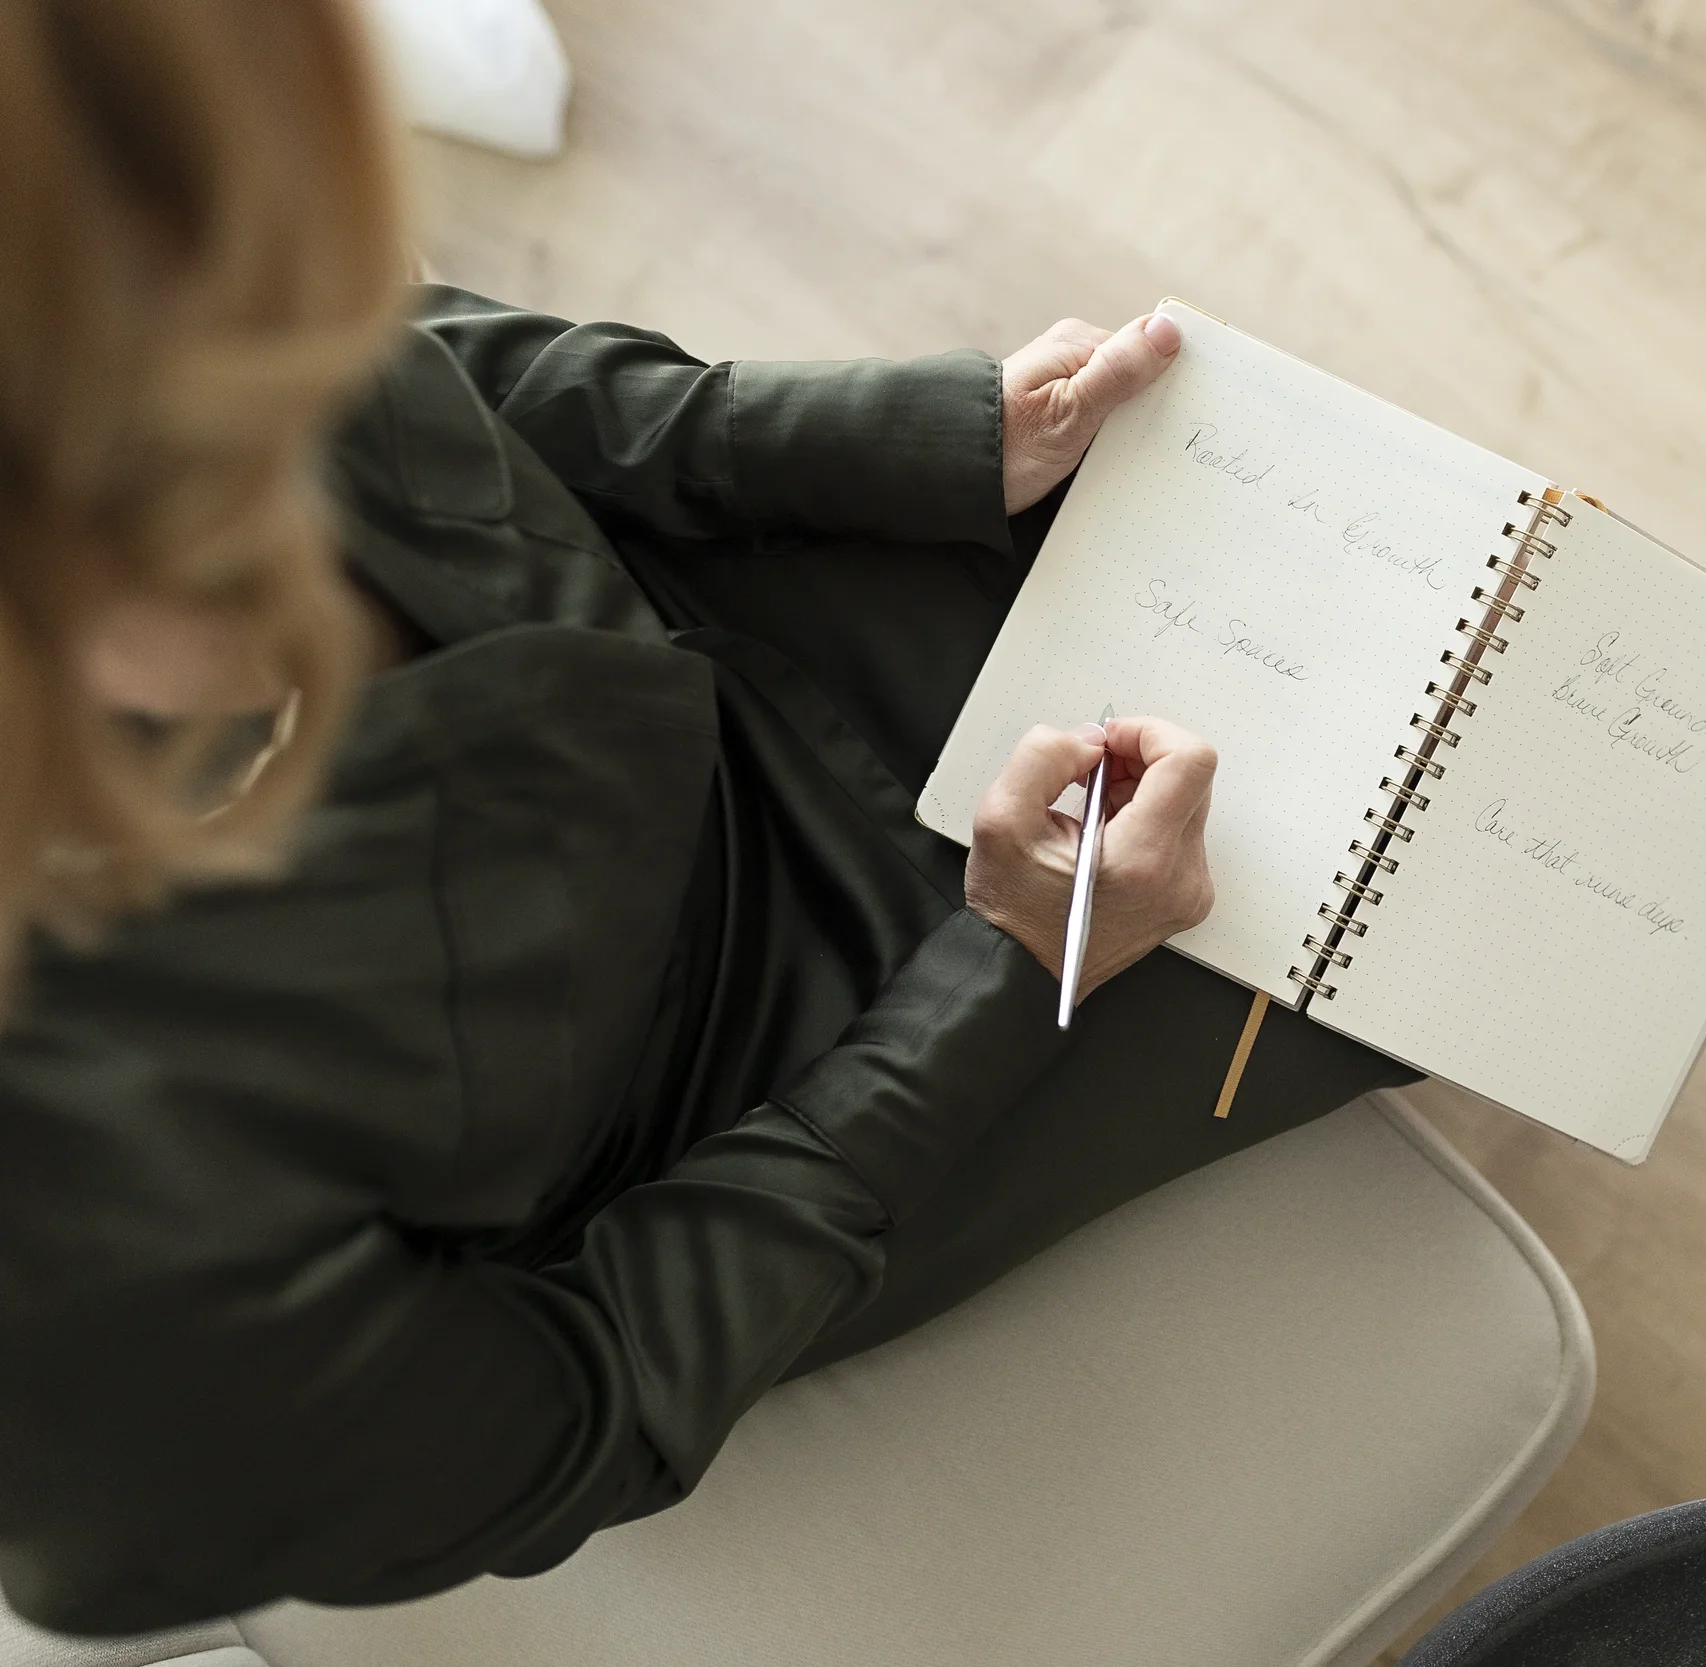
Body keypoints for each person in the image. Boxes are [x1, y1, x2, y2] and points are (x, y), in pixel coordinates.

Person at [0, 0, 1414, 1634]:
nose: (316, 364)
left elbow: (427, 372)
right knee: (1439, 889)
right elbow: (589, 1395)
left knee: (1351, 589)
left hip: (692, 638)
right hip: (761, 1106)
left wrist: (893, 442)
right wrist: (1011, 964)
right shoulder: (81, 1284)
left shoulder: (137, 237)